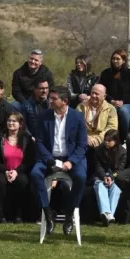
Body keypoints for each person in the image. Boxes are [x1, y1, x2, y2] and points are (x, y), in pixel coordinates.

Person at [31, 86, 87, 236]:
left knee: (81, 177)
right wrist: (49, 160)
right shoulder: (44, 116)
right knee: (35, 174)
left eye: (54, 99)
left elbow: (82, 145)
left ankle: (69, 213)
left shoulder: (78, 117)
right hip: (49, 157)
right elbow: (39, 142)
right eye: (51, 97)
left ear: (65, 101)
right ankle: (48, 212)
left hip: (71, 158)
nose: (50, 100)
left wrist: (72, 162)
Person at [0, 112, 34, 223]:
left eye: (14, 121)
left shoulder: (27, 139)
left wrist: (16, 172)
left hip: (20, 171)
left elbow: (30, 160)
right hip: (2, 170)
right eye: (9, 120)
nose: (11, 123)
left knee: (23, 181)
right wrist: (6, 171)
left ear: (20, 124)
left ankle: (19, 214)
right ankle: (1, 214)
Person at [99, 49, 130, 142]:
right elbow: (102, 90)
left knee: (123, 110)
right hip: (109, 102)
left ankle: (127, 139)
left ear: (124, 60)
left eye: (118, 59)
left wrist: (123, 102)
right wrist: (111, 101)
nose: (115, 61)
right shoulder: (106, 73)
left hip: (126, 104)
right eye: (113, 58)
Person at [93, 129, 126, 226]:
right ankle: (109, 214)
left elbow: (120, 169)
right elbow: (98, 166)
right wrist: (104, 177)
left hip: (115, 178)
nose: (106, 142)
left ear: (115, 141)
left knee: (116, 189)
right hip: (100, 177)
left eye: (109, 140)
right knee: (100, 187)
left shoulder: (122, 152)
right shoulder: (99, 150)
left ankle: (106, 215)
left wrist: (111, 177)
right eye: (105, 140)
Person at [76, 84, 118, 150]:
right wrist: (85, 137)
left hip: (103, 140)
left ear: (104, 96)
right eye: (92, 93)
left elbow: (112, 127)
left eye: (97, 94)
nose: (93, 95)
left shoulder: (111, 109)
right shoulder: (81, 107)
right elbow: (76, 125)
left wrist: (98, 139)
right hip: (84, 139)